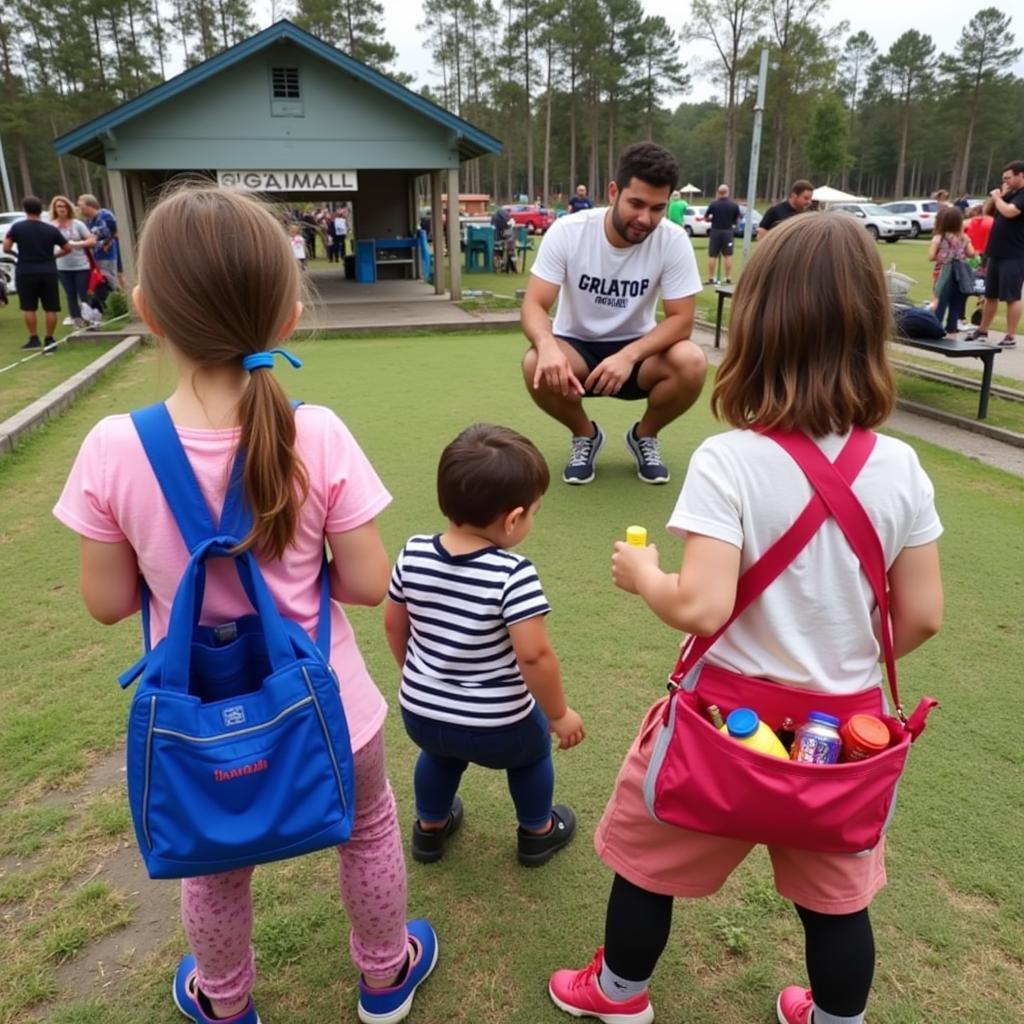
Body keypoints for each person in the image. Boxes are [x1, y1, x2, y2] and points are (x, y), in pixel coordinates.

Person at [52, 185, 437, 1024]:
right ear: (288, 317)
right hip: (331, 707)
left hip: (196, 726)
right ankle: (384, 975)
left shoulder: (114, 446)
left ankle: (225, 1002)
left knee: (214, 870)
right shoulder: (320, 431)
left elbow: (108, 601)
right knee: (368, 831)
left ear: (148, 311)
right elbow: (369, 583)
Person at [548, 212, 944, 1024]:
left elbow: (700, 606)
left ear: (758, 326)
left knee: (648, 865)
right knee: (837, 900)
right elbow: (925, 616)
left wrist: (646, 575)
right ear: (870, 328)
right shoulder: (901, 466)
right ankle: (835, 1018)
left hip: (719, 724)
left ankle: (620, 993)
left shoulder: (731, 457)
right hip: (844, 736)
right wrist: (838, 660)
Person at [384, 424, 585, 868]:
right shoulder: (513, 574)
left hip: (421, 711)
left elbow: (394, 625)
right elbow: (534, 656)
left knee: (439, 755)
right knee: (531, 758)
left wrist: (417, 674)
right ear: (513, 519)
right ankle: (537, 832)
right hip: (501, 725)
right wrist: (558, 713)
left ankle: (430, 830)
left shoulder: (412, 551)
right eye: (534, 512)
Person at [521, 142, 705, 486]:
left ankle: (644, 436)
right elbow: (534, 304)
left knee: (692, 361)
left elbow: (682, 319)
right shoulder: (568, 231)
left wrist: (629, 355)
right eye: (636, 203)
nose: (645, 219)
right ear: (613, 191)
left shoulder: (673, 239)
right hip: (576, 350)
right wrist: (546, 345)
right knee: (535, 362)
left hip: (640, 354)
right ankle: (585, 435)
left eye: (657, 208)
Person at [966, 160, 1024, 348]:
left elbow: (1009, 212)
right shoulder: (1010, 194)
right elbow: (988, 211)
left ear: (1020, 175)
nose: (1005, 182)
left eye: (1008, 178)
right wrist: (1000, 196)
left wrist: (1000, 198)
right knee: (990, 294)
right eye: (1003, 179)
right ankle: (982, 330)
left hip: (1014, 253)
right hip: (996, 252)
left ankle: (1010, 336)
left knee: (1011, 296)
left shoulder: (1022, 196)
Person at [2, 195, 71, 351]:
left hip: (26, 271)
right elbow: (68, 248)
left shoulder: (17, 228)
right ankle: (50, 338)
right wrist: (53, 256)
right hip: (48, 270)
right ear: (41, 210)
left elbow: (6, 247)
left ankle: (34, 338)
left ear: (25, 210)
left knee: (29, 307)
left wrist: (17, 255)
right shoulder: (50, 229)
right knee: (51, 307)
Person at [927, 205, 976, 338]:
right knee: (955, 302)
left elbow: (930, 256)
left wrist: (943, 255)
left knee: (940, 300)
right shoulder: (964, 237)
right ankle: (952, 328)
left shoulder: (939, 237)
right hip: (960, 273)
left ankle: (935, 327)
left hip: (944, 272)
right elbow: (971, 253)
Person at [50, 195, 96, 328]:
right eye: (58, 206)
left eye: (64, 206)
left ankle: (90, 319)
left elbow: (91, 240)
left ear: (68, 208)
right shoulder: (52, 226)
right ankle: (77, 320)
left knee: (83, 293)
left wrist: (77, 243)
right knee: (70, 294)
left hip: (81, 265)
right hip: (62, 266)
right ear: (54, 209)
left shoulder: (77, 224)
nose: (61, 209)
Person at [77, 194, 119, 288]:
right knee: (100, 282)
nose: (80, 209)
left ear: (90, 205)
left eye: (81, 206)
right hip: (95, 256)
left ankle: (116, 299)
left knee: (110, 281)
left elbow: (115, 232)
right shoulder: (88, 221)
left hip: (107, 255)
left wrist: (107, 241)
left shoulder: (105, 215)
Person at [704, 183, 741, 284]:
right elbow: (737, 218)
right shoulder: (733, 204)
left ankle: (711, 277)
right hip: (728, 232)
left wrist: (711, 219)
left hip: (715, 231)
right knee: (728, 255)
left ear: (718, 193)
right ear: (727, 192)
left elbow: (706, 217)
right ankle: (728, 277)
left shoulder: (713, 204)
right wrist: (733, 224)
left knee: (712, 255)